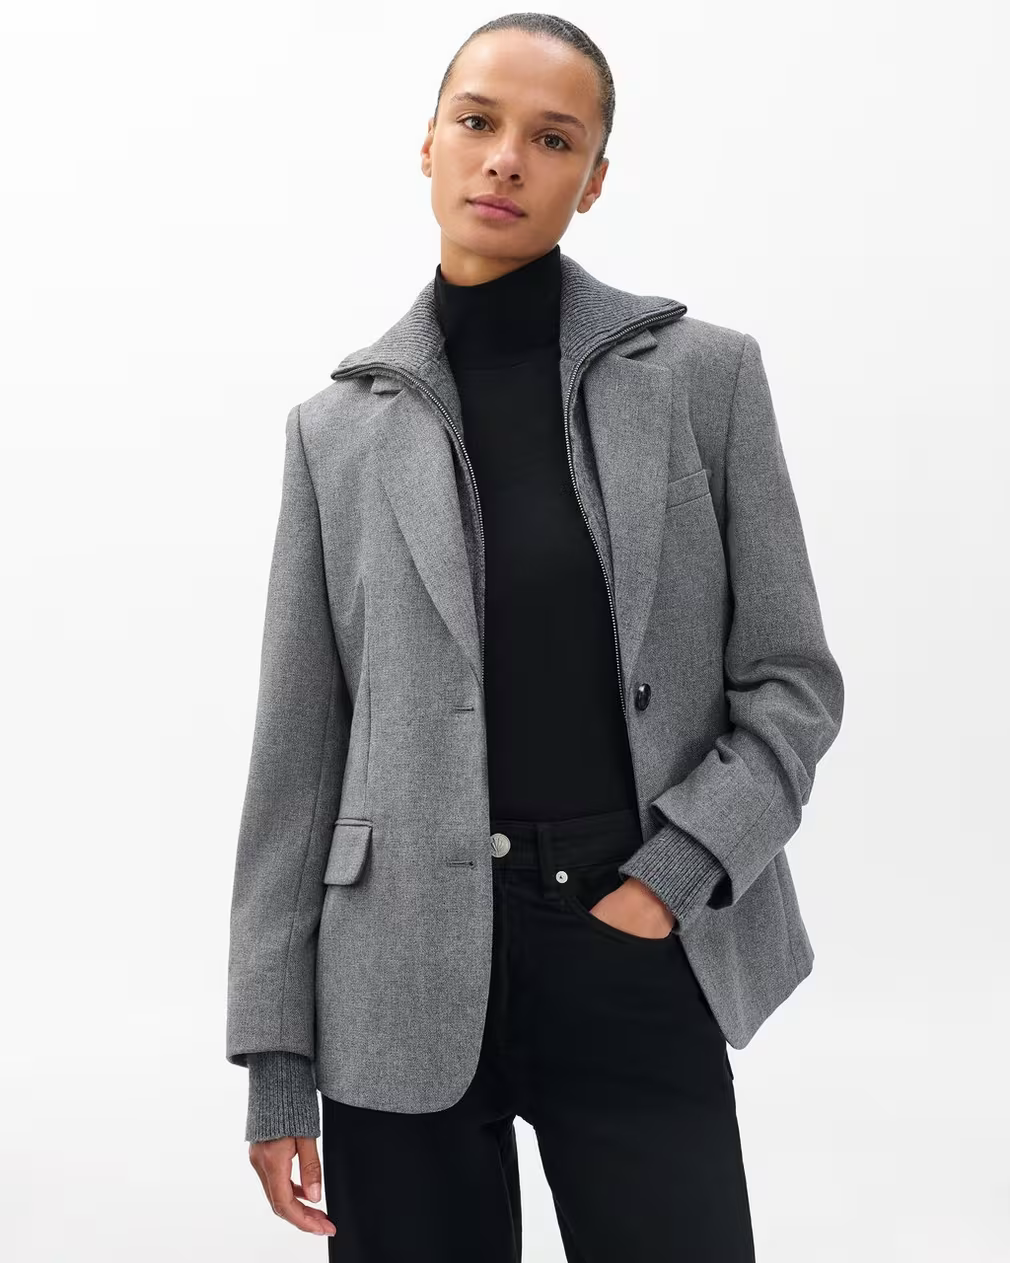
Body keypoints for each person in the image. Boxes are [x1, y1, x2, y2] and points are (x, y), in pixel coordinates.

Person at [226, 12, 844, 1261]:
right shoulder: (332, 435)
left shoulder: (702, 379)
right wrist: (276, 1060)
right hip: (393, 974)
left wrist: (672, 878)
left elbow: (790, 683)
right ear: (429, 145)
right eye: (478, 121)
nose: (506, 157)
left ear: (592, 178)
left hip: (631, 939)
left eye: (552, 139)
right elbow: (297, 763)